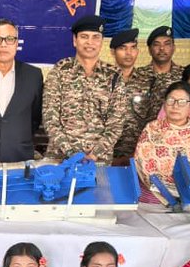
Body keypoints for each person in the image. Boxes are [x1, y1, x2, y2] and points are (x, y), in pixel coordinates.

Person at [41, 14, 127, 162]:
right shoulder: (60, 71)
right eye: (84, 36)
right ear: (75, 41)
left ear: (101, 42)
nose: (90, 42)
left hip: (98, 161)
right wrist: (72, 153)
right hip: (61, 158)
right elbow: (50, 118)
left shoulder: (113, 76)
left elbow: (116, 123)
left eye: (95, 37)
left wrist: (94, 154)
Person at [0, 19, 44, 163]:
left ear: (17, 44)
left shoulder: (33, 75)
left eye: (10, 39)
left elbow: (35, 117)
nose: (3, 44)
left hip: (20, 158)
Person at [133, 81, 190, 201]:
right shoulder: (152, 128)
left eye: (182, 102)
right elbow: (142, 163)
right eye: (171, 100)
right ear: (165, 103)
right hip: (155, 195)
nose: (175, 106)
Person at [109, 28, 159, 162]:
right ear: (113, 52)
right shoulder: (102, 80)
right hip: (104, 153)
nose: (128, 53)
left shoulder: (149, 81)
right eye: (123, 48)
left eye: (133, 48)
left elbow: (154, 120)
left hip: (136, 154)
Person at [132, 25, 183, 103]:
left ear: (173, 48)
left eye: (167, 44)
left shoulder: (185, 75)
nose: (162, 48)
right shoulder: (137, 75)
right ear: (149, 50)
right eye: (156, 44)